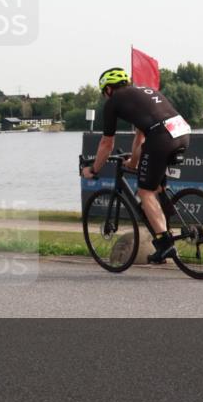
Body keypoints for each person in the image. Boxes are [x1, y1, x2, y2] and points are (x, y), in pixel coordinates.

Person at [81, 67, 191, 263]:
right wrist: (133, 162)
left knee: (145, 192)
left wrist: (94, 169)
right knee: (156, 187)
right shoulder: (143, 92)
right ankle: (167, 226)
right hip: (182, 132)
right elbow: (140, 136)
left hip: (162, 137)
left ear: (107, 89)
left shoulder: (114, 102)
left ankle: (165, 244)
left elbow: (107, 143)